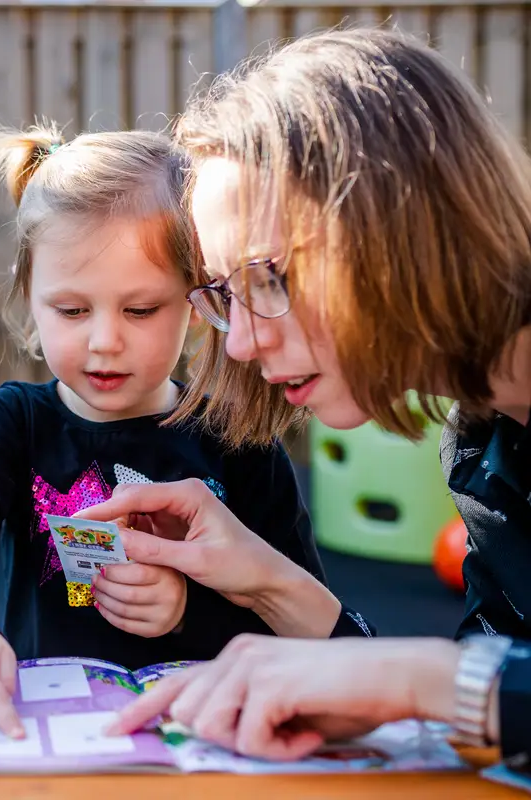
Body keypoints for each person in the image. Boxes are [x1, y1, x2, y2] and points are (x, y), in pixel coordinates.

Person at [78, 26, 531, 765]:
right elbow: (496, 712)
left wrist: (425, 677)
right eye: (227, 294)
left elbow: (460, 687)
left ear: (393, 222)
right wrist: (272, 584)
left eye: (270, 280)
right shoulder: (486, 439)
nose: (238, 345)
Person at [0, 121, 374, 739]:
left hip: (204, 742)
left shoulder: (236, 438)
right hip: (48, 740)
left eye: (140, 309)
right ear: (31, 304)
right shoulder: (16, 423)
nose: (105, 341)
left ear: (199, 305)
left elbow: (297, 609)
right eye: (71, 310)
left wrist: (185, 611)